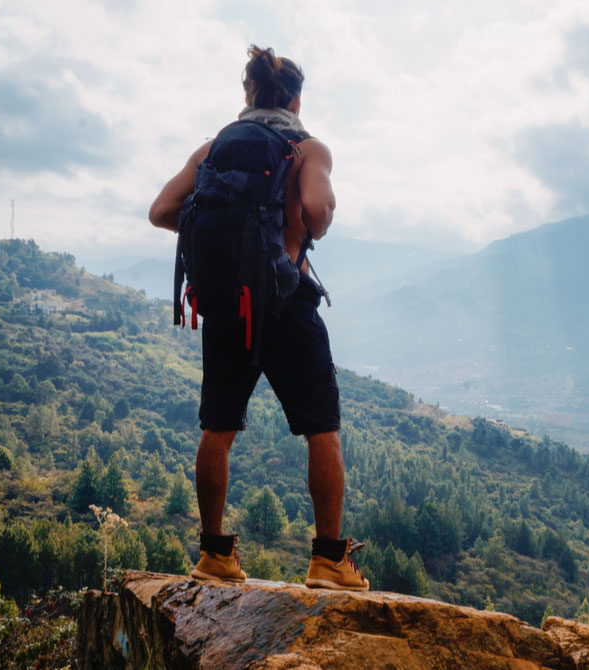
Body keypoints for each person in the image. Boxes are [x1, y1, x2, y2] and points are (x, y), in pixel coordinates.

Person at [148, 45, 368, 591]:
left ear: (248, 95)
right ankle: (327, 561)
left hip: (227, 305)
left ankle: (215, 555)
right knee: (321, 429)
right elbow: (317, 210)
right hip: (286, 303)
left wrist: (231, 242)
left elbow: (160, 211)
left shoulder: (213, 149)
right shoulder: (306, 146)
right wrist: (295, 228)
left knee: (217, 429)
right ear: (295, 99)